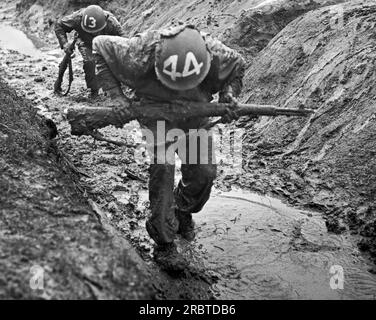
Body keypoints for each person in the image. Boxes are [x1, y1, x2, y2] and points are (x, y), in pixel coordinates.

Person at [92, 24, 246, 271]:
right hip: (157, 114)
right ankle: (164, 242)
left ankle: (182, 209)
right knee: (163, 169)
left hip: (196, 114)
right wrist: (117, 98)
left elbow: (237, 67)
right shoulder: (141, 51)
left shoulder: (215, 53)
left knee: (204, 173)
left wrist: (228, 96)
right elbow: (99, 45)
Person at [54, 5, 125, 98]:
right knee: (89, 61)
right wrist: (65, 44)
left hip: (105, 44)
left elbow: (124, 42)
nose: (94, 33)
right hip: (85, 42)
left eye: (96, 31)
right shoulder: (77, 18)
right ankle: (94, 90)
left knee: (111, 61)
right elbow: (59, 25)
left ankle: (115, 86)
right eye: (90, 31)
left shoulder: (111, 22)